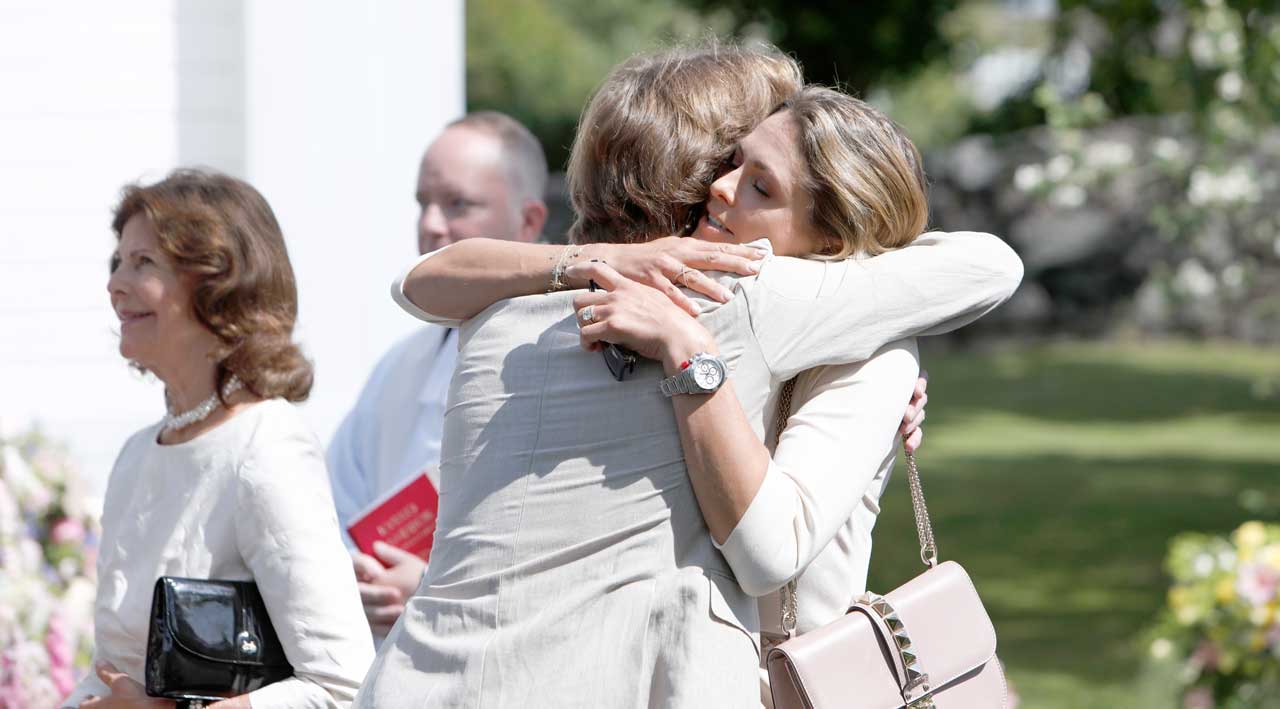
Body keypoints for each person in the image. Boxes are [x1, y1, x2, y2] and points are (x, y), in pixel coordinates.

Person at [354, 43, 1022, 707]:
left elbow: (416, 285)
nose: (724, 189)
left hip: (415, 681)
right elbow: (990, 267)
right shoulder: (745, 295)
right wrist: (691, 353)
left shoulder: (497, 317)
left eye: (760, 182)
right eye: (731, 162)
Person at [67, 170, 373, 708]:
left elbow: (340, 687)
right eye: (118, 261)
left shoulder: (265, 445)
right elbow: (110, 675)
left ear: (218, 285)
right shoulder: (137, 456)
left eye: (144, 263)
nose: (115, 283)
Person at [325, 112, 551, 637]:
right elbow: (337, 502)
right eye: (422, 203)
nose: (430, 224)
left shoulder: (570, 352)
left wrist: (430, 587)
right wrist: (359, 578)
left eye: (458, 204)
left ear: (530, 222)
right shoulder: (399, 366)